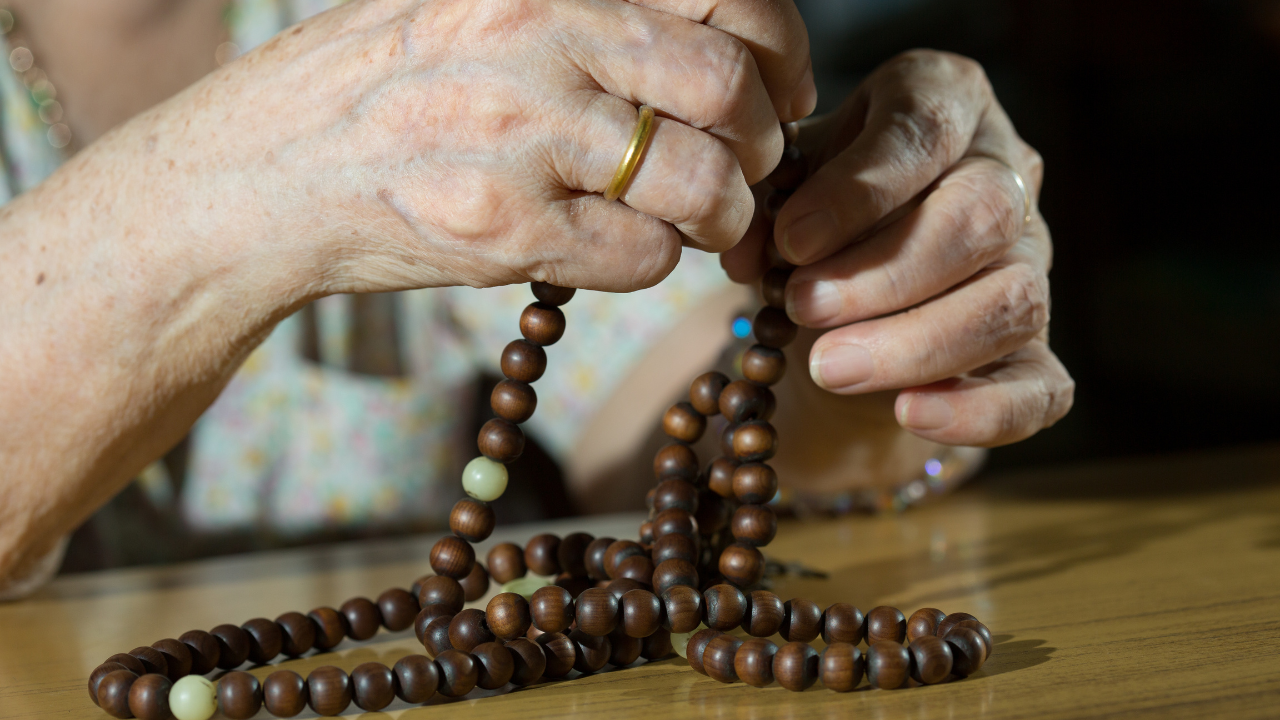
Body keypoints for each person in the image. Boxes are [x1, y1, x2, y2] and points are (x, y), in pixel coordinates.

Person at [0, 0, 1071, 598]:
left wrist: (879, 299)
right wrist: (260, 177)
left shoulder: (437, 21)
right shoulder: (391, 48)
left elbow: (696, 434)